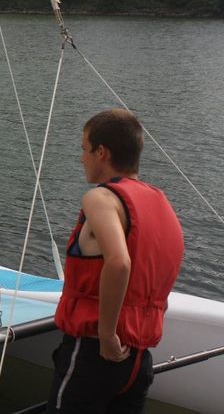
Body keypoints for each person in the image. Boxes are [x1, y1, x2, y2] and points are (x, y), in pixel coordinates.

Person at [47, 109, 184, 414]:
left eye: (84, 149)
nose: (82, 158)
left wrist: (108, 334)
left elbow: (120, 263)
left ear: (101, 152)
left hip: (95, 352)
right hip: (137, 359)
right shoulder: (160, 202)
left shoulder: (101, 198)